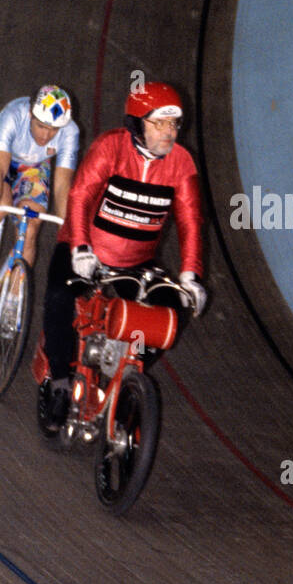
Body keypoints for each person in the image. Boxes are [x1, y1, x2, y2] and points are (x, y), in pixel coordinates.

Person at [41, 81, 206, 428]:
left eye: (173, 124)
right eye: (159, 122)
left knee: (173, 313)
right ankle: (58, 384)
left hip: (137, 263)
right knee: (58, 296)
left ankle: (126, 376)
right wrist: (81, 248)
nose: (168, 131)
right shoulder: (110, 147)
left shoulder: (181, 163)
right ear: (136, 124)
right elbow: (81, 196)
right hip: (84, 248)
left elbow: (191, 220)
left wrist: (191, 276)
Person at [0, 86, 78, 286]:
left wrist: (69, 232)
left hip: (33, 165)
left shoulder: (70, 132)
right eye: (41, 126)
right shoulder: (13, 116)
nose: (46, 136)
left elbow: (63, 184)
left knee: (29, 227)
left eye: (54, 130)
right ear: (30, 114)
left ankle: (14, 299)